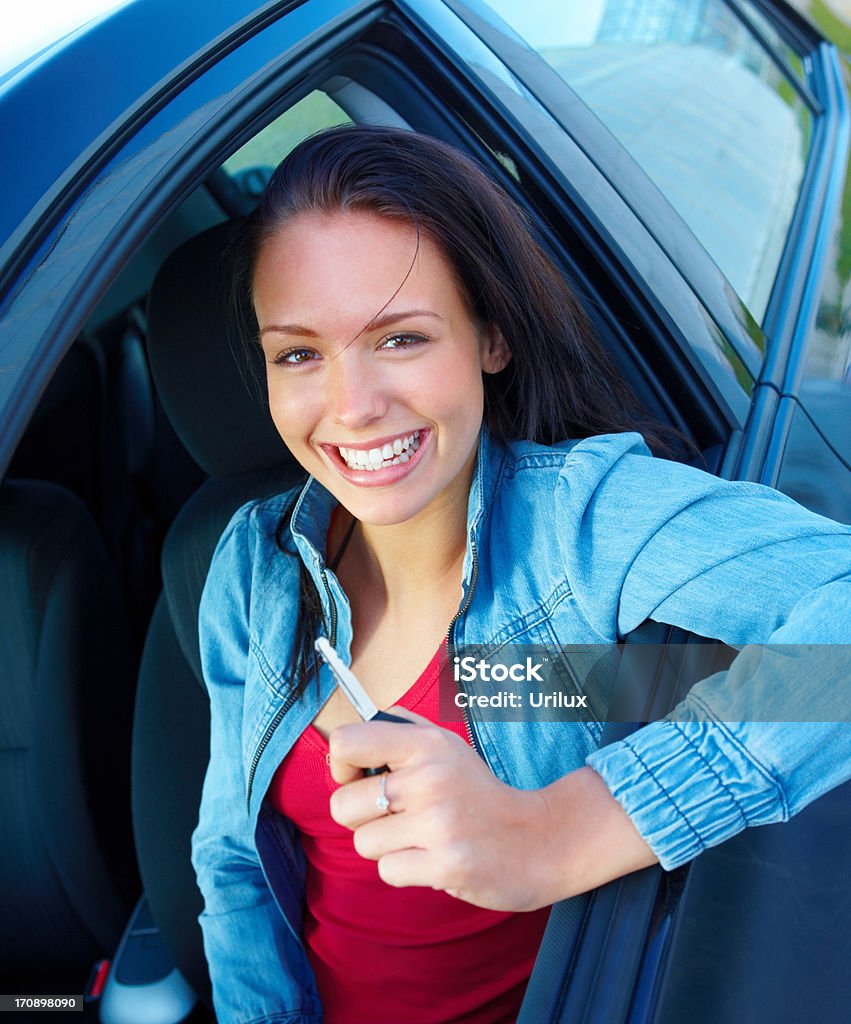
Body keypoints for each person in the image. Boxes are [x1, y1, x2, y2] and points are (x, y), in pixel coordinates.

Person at [191, 124, 851, 1024]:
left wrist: (565, 831)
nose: (351, 407)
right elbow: (231, 863)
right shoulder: (252, 567)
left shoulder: (578, 526)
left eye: (400, 339)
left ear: (490, 338)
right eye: (298, 353)